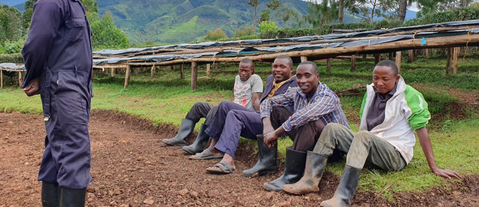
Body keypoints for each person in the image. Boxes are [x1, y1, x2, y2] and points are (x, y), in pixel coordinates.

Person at [282, 60, 461, 207]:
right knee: (332, 128)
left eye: (385, 79)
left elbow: (422, 130)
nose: (379, 83)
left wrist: (434, 167)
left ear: (396, 78)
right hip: (370, 146)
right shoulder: (370, 92)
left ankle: (343, 196)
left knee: (364, 136)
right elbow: (364, 125)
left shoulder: (410, 96)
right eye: (376, 78)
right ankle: (309, 181)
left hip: (394, 153)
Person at [22, 0, 93, 207]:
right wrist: (34, 75)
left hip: (76, 86)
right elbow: (36, 44)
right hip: (64, 87)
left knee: (57, 149)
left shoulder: (73, 1)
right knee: (75, 151)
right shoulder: (53, 1)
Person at [191, 55, 297, 174]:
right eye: (275, 66)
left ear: (291, 70)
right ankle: (214, 149)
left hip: (273, 125)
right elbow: (262, 101)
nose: (277, 69)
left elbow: (285, 110)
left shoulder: (295, 83)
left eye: (282, 67)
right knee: (224, 105)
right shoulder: (270, 79)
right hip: (261, 116)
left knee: (235, 115)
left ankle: (228, 160)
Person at [260, 61, 350, 192]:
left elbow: (305, 115)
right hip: (310, 141)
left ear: (317, 77)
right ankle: (266, 161)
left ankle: (291, 175)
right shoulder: (297, 93)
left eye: (307, 76)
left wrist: (276, 133)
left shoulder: (327, 96)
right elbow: (268, 101)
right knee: (277, 110)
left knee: (309, 120)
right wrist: (267, 125)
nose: (302, 80)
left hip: (331, 150)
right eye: (299, 76)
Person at [163, 58, 263, 155]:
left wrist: (259, 117)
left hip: (242, 113)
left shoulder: (255, 79)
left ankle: (200, 144)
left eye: (246, 71)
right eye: (241, 70)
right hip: (229, 108)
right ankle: (180, 137)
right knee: (199, 106)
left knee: (216, 109)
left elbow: (256, 100)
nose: (243, 73)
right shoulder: (237, 78)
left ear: (252, 70)